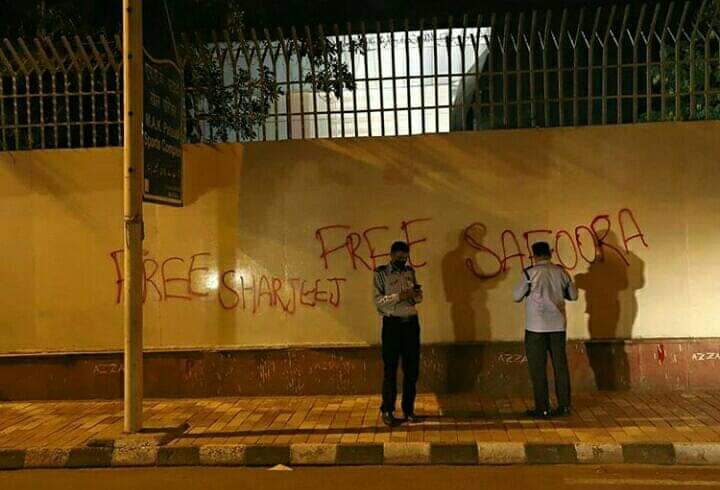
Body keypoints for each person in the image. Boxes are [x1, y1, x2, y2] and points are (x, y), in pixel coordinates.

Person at [513, 241, 578, 418]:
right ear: (550, 253)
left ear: (534, 255)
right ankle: (564, 406)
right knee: (560, 367)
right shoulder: (561, 272)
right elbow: (573, 296)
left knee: (538, 369)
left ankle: (542, 407)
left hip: (535, 327)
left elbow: (516, 296)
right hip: (557, 327)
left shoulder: (529, 273)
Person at [373, 241, 423, 427]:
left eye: (405, 257)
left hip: (411, 324)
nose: (403, 260)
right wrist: (401, 296)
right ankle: (387, 410)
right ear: (392, 255)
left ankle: (409, 410)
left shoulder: (410, 271)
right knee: (391, 369)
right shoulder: (381, 274)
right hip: (392, 325)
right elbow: (379, 301)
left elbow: (417, 298)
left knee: (412, 370)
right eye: (399, 257)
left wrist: (416, 294)